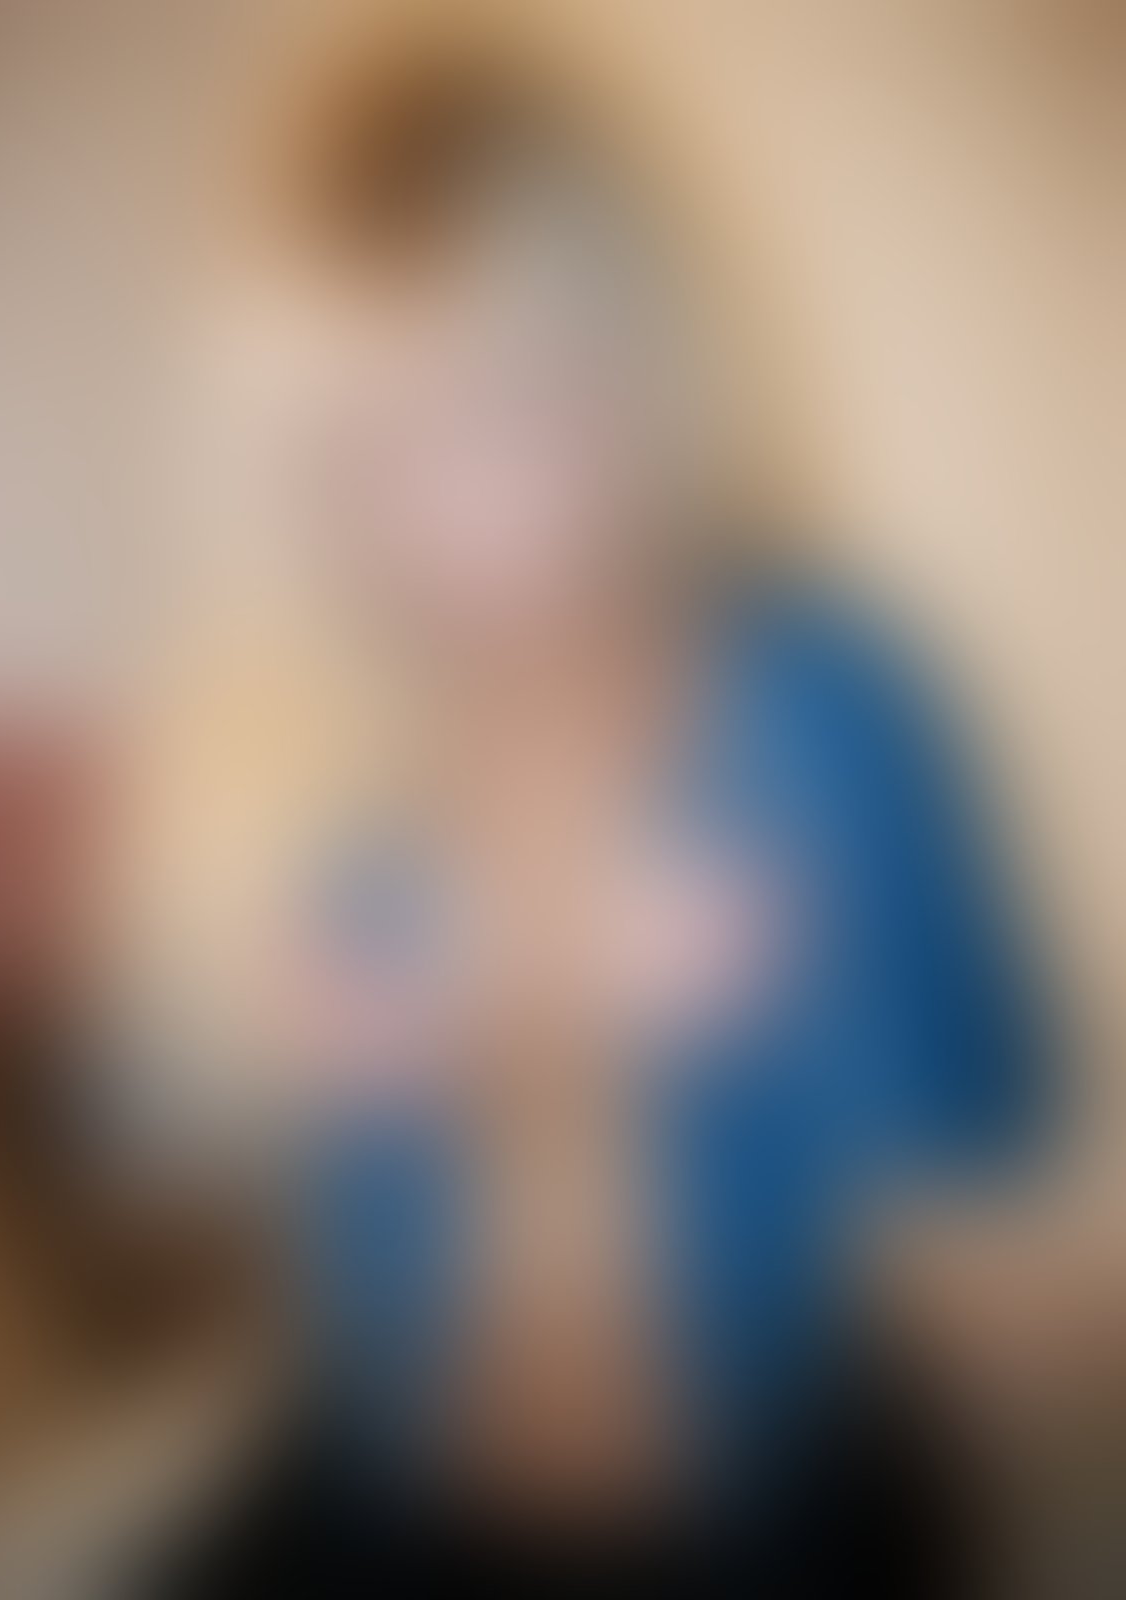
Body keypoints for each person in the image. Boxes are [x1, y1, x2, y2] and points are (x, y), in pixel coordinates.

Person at [168, 66, 1051, 1597]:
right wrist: (307, 1039)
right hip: (383, 1480)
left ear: (638, 379)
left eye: (486, 415)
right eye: (357, 450)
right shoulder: (335, 766)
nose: (418, 526)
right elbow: (267, 1155)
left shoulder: (825, 699)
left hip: (755, 1503)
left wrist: (789, 994)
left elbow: (990, 1154)